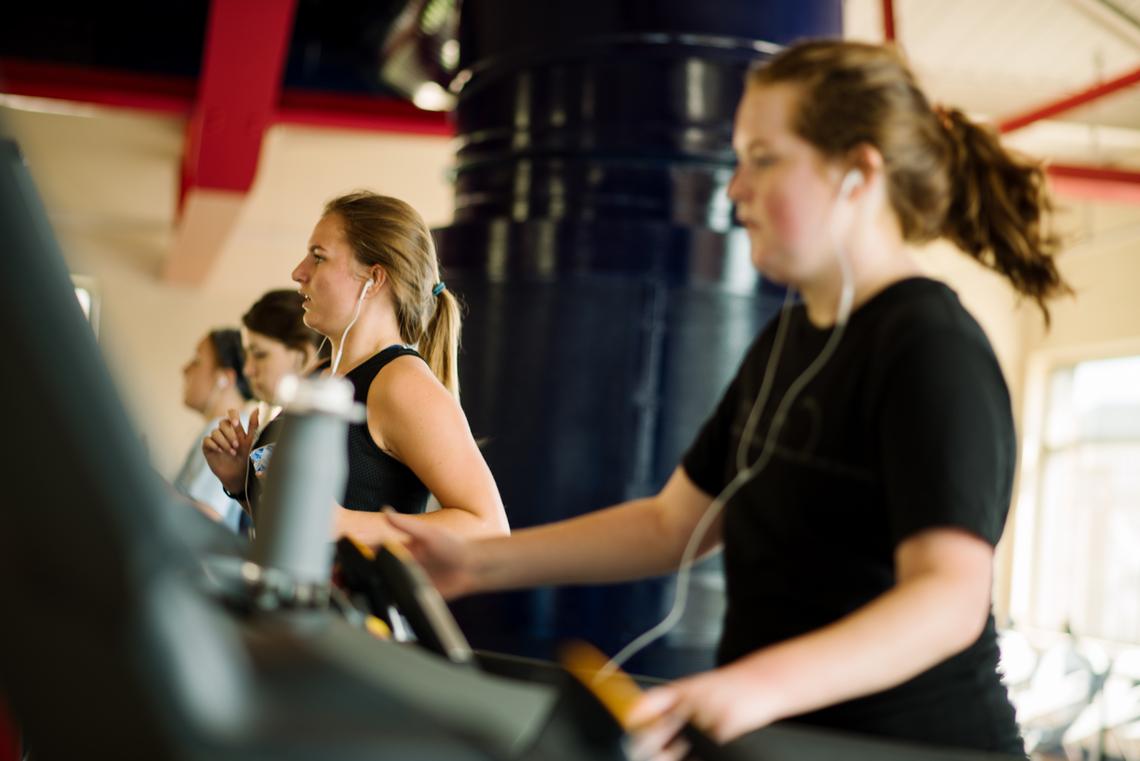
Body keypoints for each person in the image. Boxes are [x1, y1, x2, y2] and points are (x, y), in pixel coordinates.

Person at [386, 39, 1071, 756]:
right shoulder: (792, 340)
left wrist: (747, 689)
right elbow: (671, 521)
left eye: (764, 159)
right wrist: (482, 561)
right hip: (784, 739)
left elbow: (948, 599)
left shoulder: (931, 345)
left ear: (858, 174)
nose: (736, 187)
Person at [204, 192, 509, 543]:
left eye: (318, 258)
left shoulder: (400, 382)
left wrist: (343, 523)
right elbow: (299, 531)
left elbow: (489, 527)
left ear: (374, 279)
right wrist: (240, 483)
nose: (298, 273)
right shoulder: (320, 375)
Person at [172, 328, 255, 532]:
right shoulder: (228, 428)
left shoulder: (225, 431)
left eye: (197, 360)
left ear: (224, 378)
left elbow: (207, 517)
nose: (185, 369)